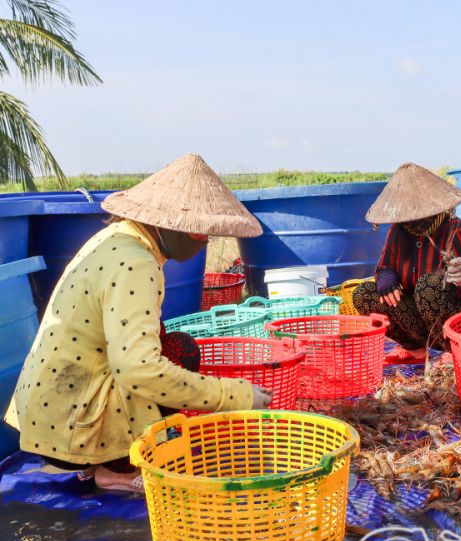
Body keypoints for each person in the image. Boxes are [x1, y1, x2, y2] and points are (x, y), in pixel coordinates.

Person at [3, 153, 273, 493]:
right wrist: (231, 395)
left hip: (47, 411)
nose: (203, 242)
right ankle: (112, 469)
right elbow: (139, 369)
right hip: (70, 424)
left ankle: (100, 463)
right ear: (167, 224)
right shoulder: (135, 263)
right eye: (198, 234)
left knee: (177, 347)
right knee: (169, 362)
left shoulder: (115, 237)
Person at [353, 163, 461, 363]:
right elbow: (384, 267)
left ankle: (453, 351)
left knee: (429, 285)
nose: (412, 222)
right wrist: (386, 277)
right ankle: (417, 350)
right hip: (421, 322)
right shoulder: (398, 231)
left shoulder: (456, 230)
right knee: (364, 294)